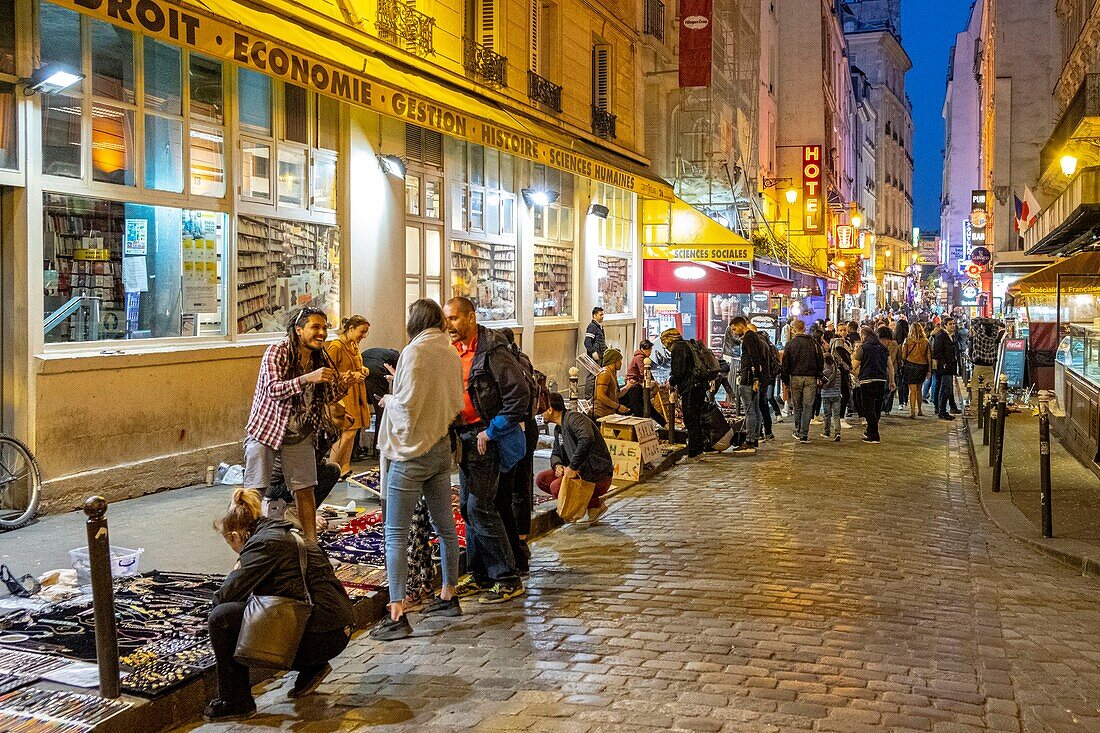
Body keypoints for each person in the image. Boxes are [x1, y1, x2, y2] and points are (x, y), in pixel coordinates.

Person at [204, 489, 354, 723]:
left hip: (323, 633)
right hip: (336, 627)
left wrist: (237, 569)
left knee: (221, 618)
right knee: (248, 610)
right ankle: (311, 667)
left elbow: (224, 598)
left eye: (229, 543)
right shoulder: (279, 531)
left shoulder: (263, 544)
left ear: (234, 536)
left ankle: (236, 701)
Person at [370, 300, 466, 641]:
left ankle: (396, 613)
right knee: (445, 528)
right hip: (440, 448)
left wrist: (386, 401)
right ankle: (448, 594)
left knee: (395, 533)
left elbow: (407, 404)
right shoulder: (451, 352)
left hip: (410, 455)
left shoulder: (413, 351)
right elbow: (454, 400)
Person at [443, 297, 529, 603]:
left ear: (470, 317)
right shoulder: (452, 351)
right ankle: (480, 575)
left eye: (454, 318)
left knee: (481, 506)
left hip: (487, 439)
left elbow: (519, 396)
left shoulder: (493, 351)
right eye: (446, 319)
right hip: (465, 438)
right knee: (468, 507)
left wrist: (491, 431)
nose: (449, 325)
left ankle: (507, 576)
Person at [242, 307, 350, 543]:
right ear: (299, 330)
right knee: (253, 492)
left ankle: (311, 544)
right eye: (315, 327)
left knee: (305, 490)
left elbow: (329, 396)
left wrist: (345, 382)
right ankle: (246, 545)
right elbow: (273, 389)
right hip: (267, 432)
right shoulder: (277, 352)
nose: (322, 333)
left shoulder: (320, 357)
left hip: (300, 434)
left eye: (324, 328)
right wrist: (306, 378)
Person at [496, 326, 539, 576]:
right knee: (521, 484)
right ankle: (521, 538)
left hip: (516, 429)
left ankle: (518, 547)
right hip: (525, 427)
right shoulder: (522, 359)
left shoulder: (511, 364)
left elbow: (518, 399)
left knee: (513, 488)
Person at [536, 393, 615, 523]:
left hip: (595, 473)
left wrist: (573, 466)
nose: (540, 413)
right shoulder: (558, 429)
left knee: (556, 487)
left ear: (550, 409)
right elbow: (556, 453)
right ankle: (591, 505)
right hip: (576, 472)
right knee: (542, 479)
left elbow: (587, 438)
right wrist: (558, 465)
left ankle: (591, 505)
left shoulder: (575, 419)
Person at [325, 315, 371, 477]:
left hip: (356, 392)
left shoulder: (354, 345)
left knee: (353, 431)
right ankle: (331, 467)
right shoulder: (336, 346)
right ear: (351, 329)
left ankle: (344, 467)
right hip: (344, 394)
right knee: (347, 432)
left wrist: (363, 370)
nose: (363, 336)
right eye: (361, 332)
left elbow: (357, 364)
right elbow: (328, 372)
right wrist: (349, 375)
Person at [661, 327, 707, 459]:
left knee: (690, 420)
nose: (665, 346)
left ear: (668, 340)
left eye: (664, 342)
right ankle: (698, 450)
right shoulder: (688, 344)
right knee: (696, 419)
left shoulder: (678, 349)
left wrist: (671, 382)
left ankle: (694, 452)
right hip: (699, 386)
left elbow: (678, 371)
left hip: (690, 388)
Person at [780, 318, 823, 443]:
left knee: (797, 406)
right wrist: (818, 374)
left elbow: (785, 364)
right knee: (808, 406)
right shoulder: (814, 343)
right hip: (810, 378)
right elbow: (820, 361)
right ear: (805, 329)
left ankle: (798, 429)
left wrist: (785, 380)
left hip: (795, 377)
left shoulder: (791, 344)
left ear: (794, 330)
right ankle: (804, 433)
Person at [727, 317, 764, 454]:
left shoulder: (749, 338)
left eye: (735, 329)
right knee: (755, 410)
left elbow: (755, 358)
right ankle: (753, 439)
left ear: (741, 325)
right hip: (752, 379)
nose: (734, 332)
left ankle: (749, 441)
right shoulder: (754, 337)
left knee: (750, 411)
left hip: (748, 379)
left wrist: (754, 378)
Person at [851, 326, 894, 444]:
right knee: (876, 408)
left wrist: (852, 357)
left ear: (864, 336)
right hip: (881, 380)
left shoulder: (863, 348)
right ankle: (870, 431)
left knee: (868, 407)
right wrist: (892, 381)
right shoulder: (883, 348)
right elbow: (890, 366)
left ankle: (874, 434)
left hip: (867, 380)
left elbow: (854, 365)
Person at [931, 316, 962, 420]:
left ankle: (945, 409)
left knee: (947, 388)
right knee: (945, 389)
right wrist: (944, 363)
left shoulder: (951, 335)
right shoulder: (941, 335)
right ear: (945, 325)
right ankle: (942, 411)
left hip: (950, 366)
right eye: (950, 324)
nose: (953, 326)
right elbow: (937, 352)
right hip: (945, 367)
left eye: (954, 324)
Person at [900, 322, 930, 418]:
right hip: (922, 366)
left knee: (912, 390)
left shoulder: (907, 341)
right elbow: (929, 357)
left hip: (910, 365)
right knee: (919, 390)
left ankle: (912, 412)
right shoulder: (926, 341)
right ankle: (920, 410)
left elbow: (903, 355)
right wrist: (929, 370)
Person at [593, 348, 631, 419]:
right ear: (614, 361)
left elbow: (616, 395)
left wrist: (628, 386)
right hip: (602, 414)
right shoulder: (605, 374)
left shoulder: (611, 374)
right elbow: (600, 396)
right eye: (620, 361)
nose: (621, 363)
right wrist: (618, 407)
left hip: (609, 414)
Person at [969, 319, 1002, 392]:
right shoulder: (994, 335)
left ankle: (978, 403)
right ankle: (988, 402)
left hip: (979, 365)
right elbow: (997, 324)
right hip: (990, 366)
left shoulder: (980, 334)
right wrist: (992, 321)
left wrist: (984, 320)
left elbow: (974, 321)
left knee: (977, 389)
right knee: (990, 388)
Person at [584, 307, 607, 399]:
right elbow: (587, 342)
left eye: (603, 314)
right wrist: (593, 352)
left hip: (599, 356)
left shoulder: (598, 327)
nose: (602, 317)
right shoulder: (592, 327)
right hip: (593, 358)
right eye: (600, 315)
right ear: (594, 315)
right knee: (592, 377)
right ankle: (588, 397)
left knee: (596, 377)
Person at [819, 352, 843, 442]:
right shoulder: (838, 371)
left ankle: (827, 432)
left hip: (826, 395)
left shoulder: (824, 373)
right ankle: (837, 433)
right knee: (836, 415)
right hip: (836, 394)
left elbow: (821, 384)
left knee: (827, 415)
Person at [877, 325, 900, 415]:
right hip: (893, 369)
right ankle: (887, 409)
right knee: (890, 389)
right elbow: (898, 358)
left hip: (882, 371)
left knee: (883, 390)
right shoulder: (895, 344)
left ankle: (881, 407)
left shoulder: (878, 346)